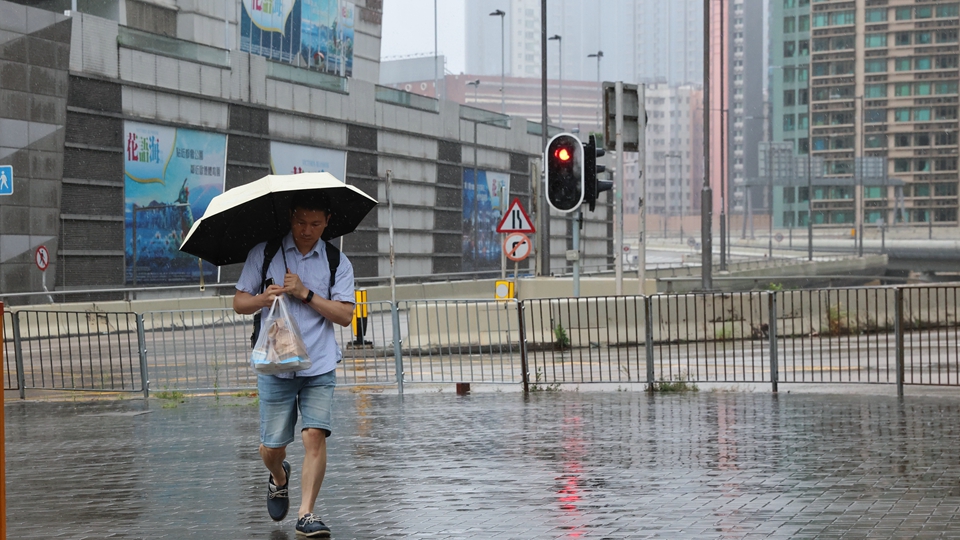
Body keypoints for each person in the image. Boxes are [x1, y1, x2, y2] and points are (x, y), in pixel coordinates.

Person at [233, 194, 355, 538]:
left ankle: (306, 514)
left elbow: (346, 315)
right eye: (301, 222)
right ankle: (278, 476)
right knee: (271, 448)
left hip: (318, 365)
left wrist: (305, 293)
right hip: (276, 366)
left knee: (315, 434)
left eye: (315, 224)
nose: (307, 230)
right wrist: (262, 298)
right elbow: (239, 302)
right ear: (290, 217)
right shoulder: (265, 253)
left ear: (328, 221)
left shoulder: (336, 261)